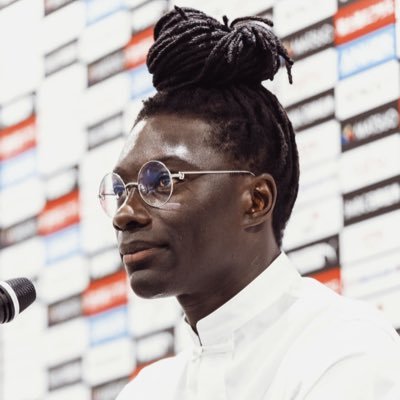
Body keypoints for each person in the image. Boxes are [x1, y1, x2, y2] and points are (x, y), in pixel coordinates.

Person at [97, 6, 400, 399]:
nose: (125, 215)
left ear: (256, 201)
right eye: (121, 190)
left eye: (162, 182)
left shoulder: (345, 351)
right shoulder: (148, 390)